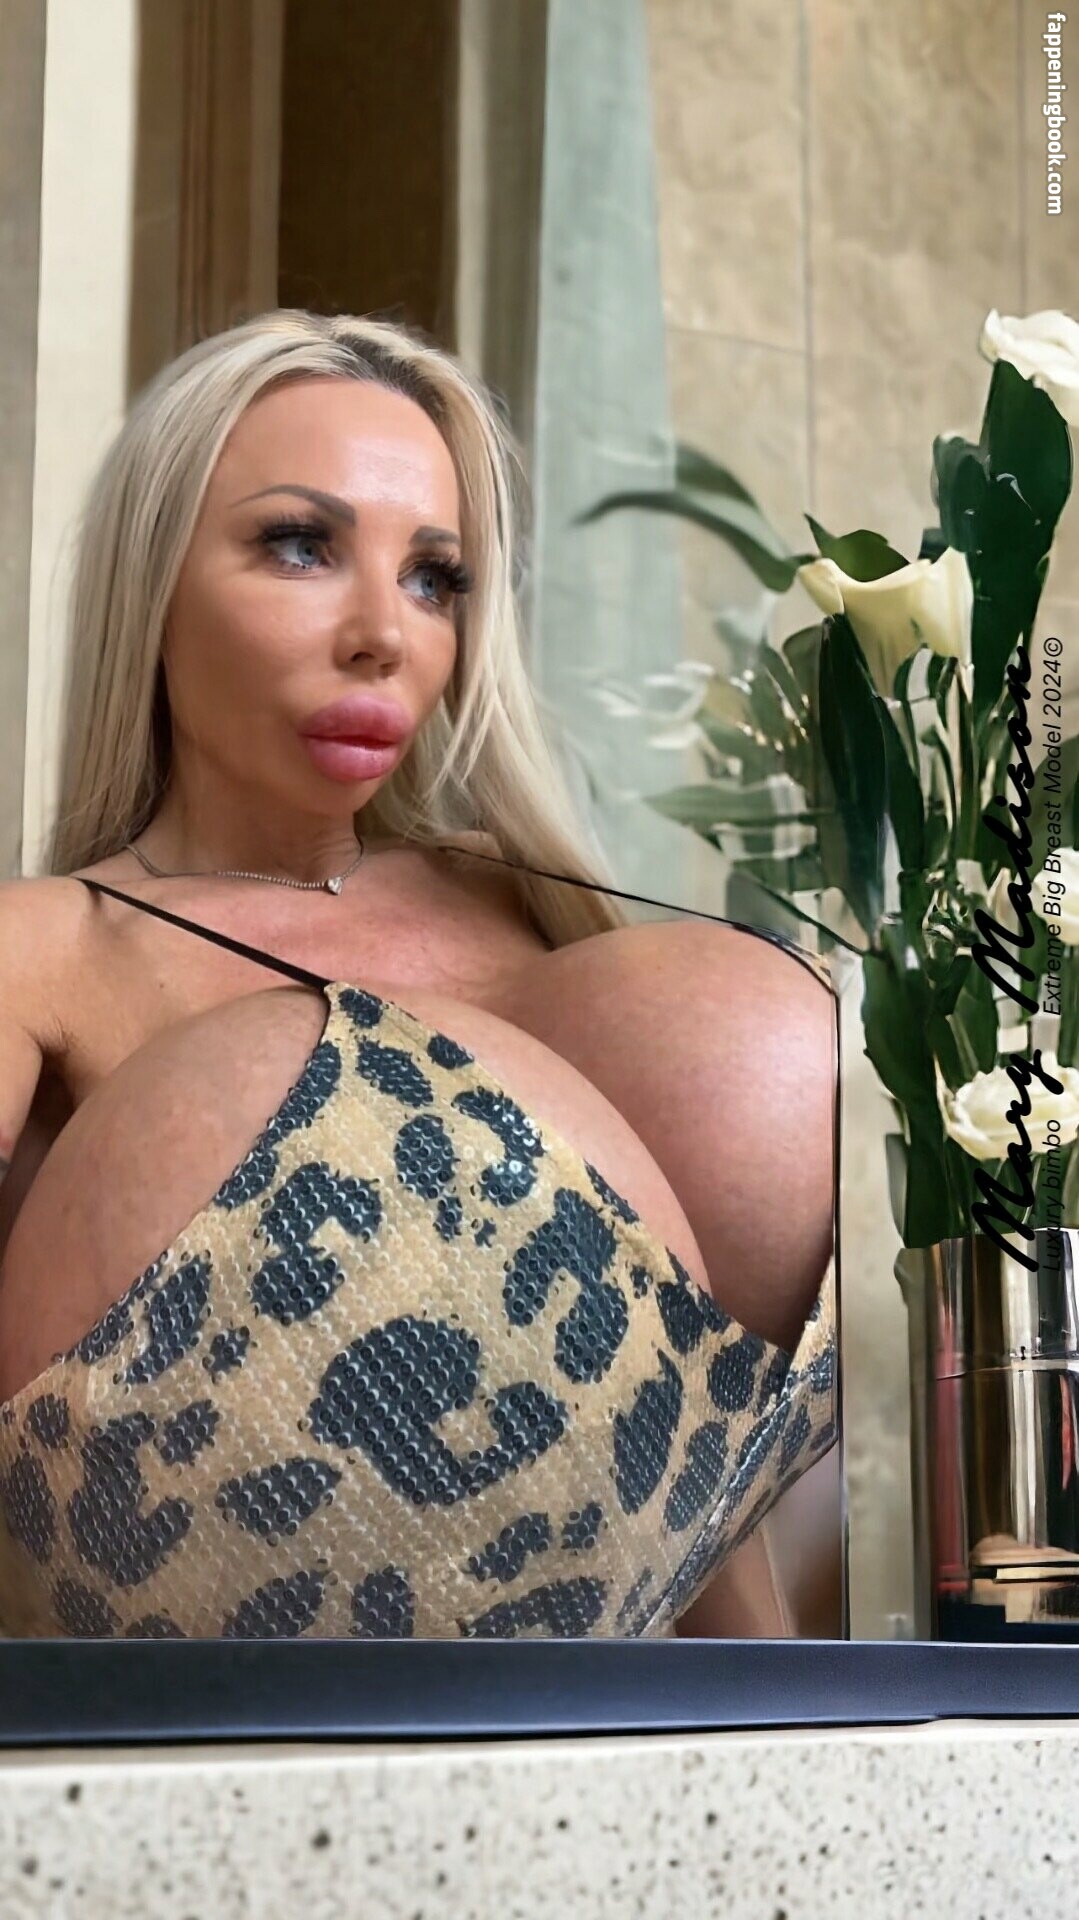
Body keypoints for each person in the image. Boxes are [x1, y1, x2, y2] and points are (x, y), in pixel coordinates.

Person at [0, 310, 836, 1641]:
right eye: (300, 545)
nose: (384, 634)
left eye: (435, 577)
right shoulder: (46, 948)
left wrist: (795, 1736)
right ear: (151, 583)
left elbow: (701, 1500)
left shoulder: (541, 908)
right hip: (216, 1747)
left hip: (663, 1736)